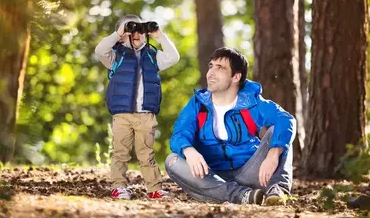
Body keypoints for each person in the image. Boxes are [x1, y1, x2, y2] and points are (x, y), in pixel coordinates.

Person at [165, 47, 295, 205]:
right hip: (210, 176)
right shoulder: (197, 104)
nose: (211, 73)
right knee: (172, 160)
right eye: (211, 66)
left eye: (220, 68)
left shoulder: (252, 102)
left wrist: (273, 154)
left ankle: (277, 191)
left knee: (279, 133)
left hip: (253, 172)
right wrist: (189, 150)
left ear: (236, 77)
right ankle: (242, 196)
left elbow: (286, 119)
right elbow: (179, 134)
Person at [95, 14, 180, 199]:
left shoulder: (152, 55)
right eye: (130, 30)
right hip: (122, 114)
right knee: (120, 152)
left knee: (146, 153)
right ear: (122, 34)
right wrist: (118, 34)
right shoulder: (115, 56)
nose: (136, 34)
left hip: (146, 114)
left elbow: (174, 57)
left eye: (140, 30)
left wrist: (159, 35)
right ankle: (119, 186)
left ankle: (154, 188)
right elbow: (100, 50)